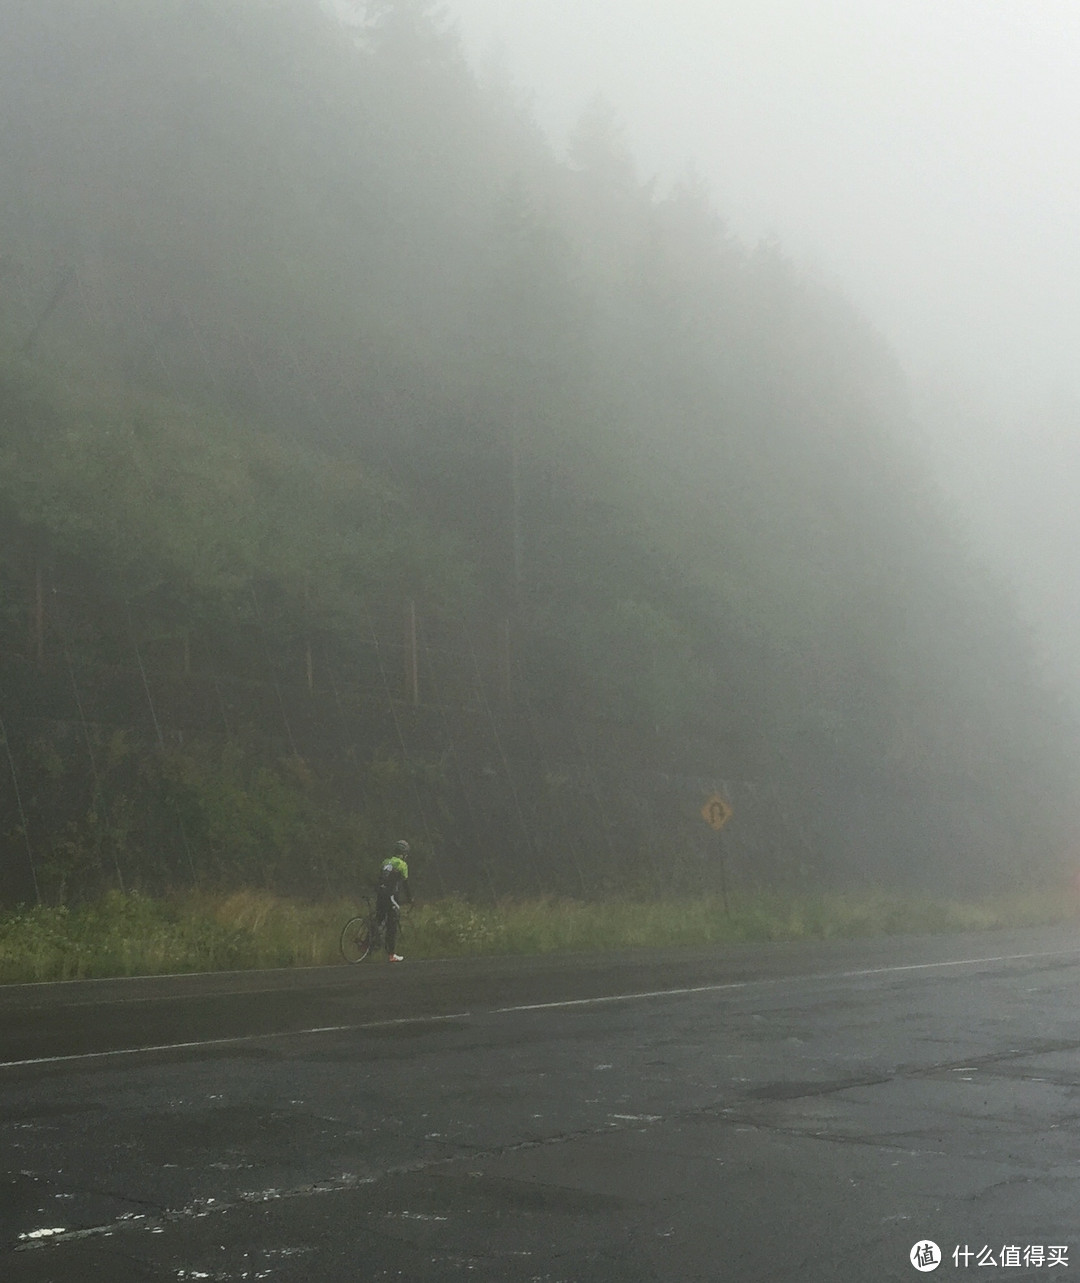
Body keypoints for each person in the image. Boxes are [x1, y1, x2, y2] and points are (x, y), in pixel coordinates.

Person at [376, 839, 413, 962]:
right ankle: (391, 955)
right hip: (390, 896)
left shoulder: (385, 862)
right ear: (403, 854)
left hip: (380, 894)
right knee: (392, 924)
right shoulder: (402, 865)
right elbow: (405, 884)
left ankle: (368, 944)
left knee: (378, 920)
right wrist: (410, 899)